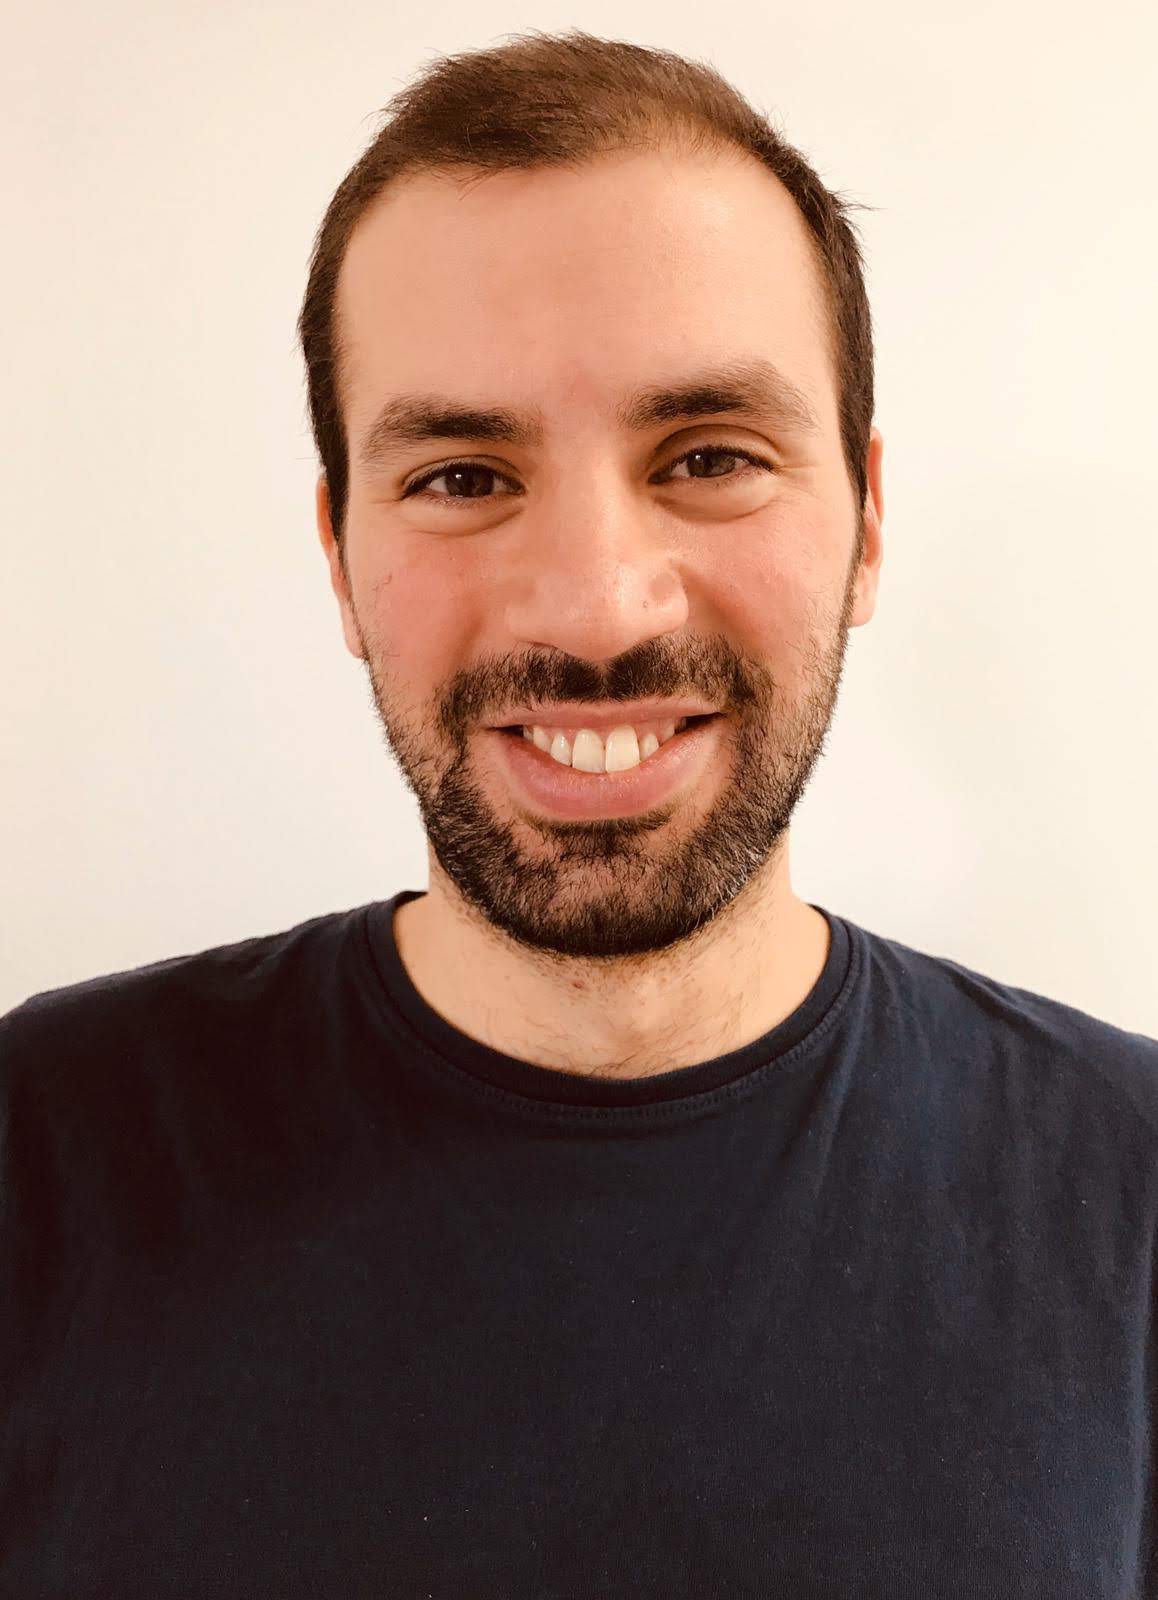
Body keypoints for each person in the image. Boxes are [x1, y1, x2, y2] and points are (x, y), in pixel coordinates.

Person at [2, 28, 1154, 1598]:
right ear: (339, 555)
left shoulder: (1132, 1191)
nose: (596, 604)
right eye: (462, 478)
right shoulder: (41, 1157)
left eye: (708, 457)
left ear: (868, 522)